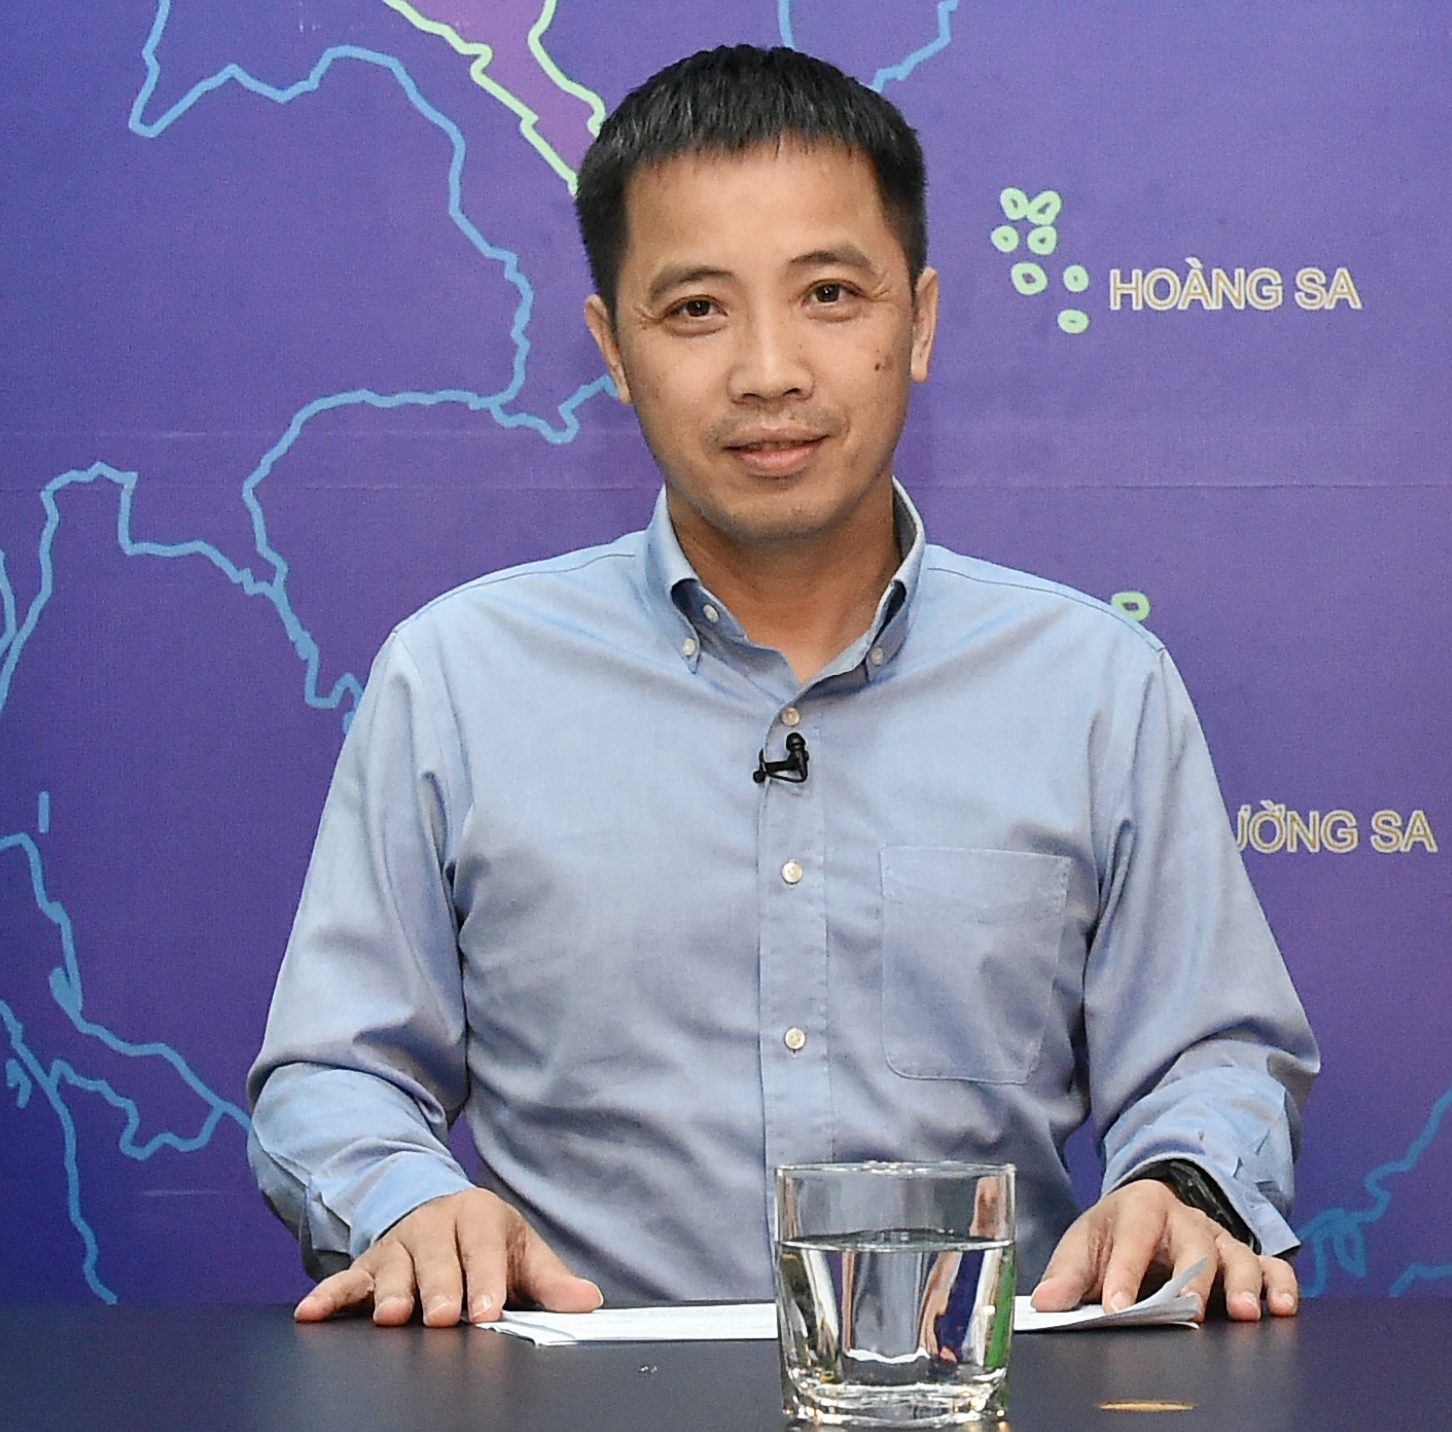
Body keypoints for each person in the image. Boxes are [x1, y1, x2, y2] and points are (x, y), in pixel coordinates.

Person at [248, 44, 1318, 1330]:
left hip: (973, 1390)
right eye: (696, 309)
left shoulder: (1097, 686)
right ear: (612, 347)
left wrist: (1181, 1180)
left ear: (919, 322)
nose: (769, 370)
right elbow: (334, 1072)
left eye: (828, 294)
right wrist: (409, 1203)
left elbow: (1209, 1053)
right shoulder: (456, 679)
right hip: (576, 1398)